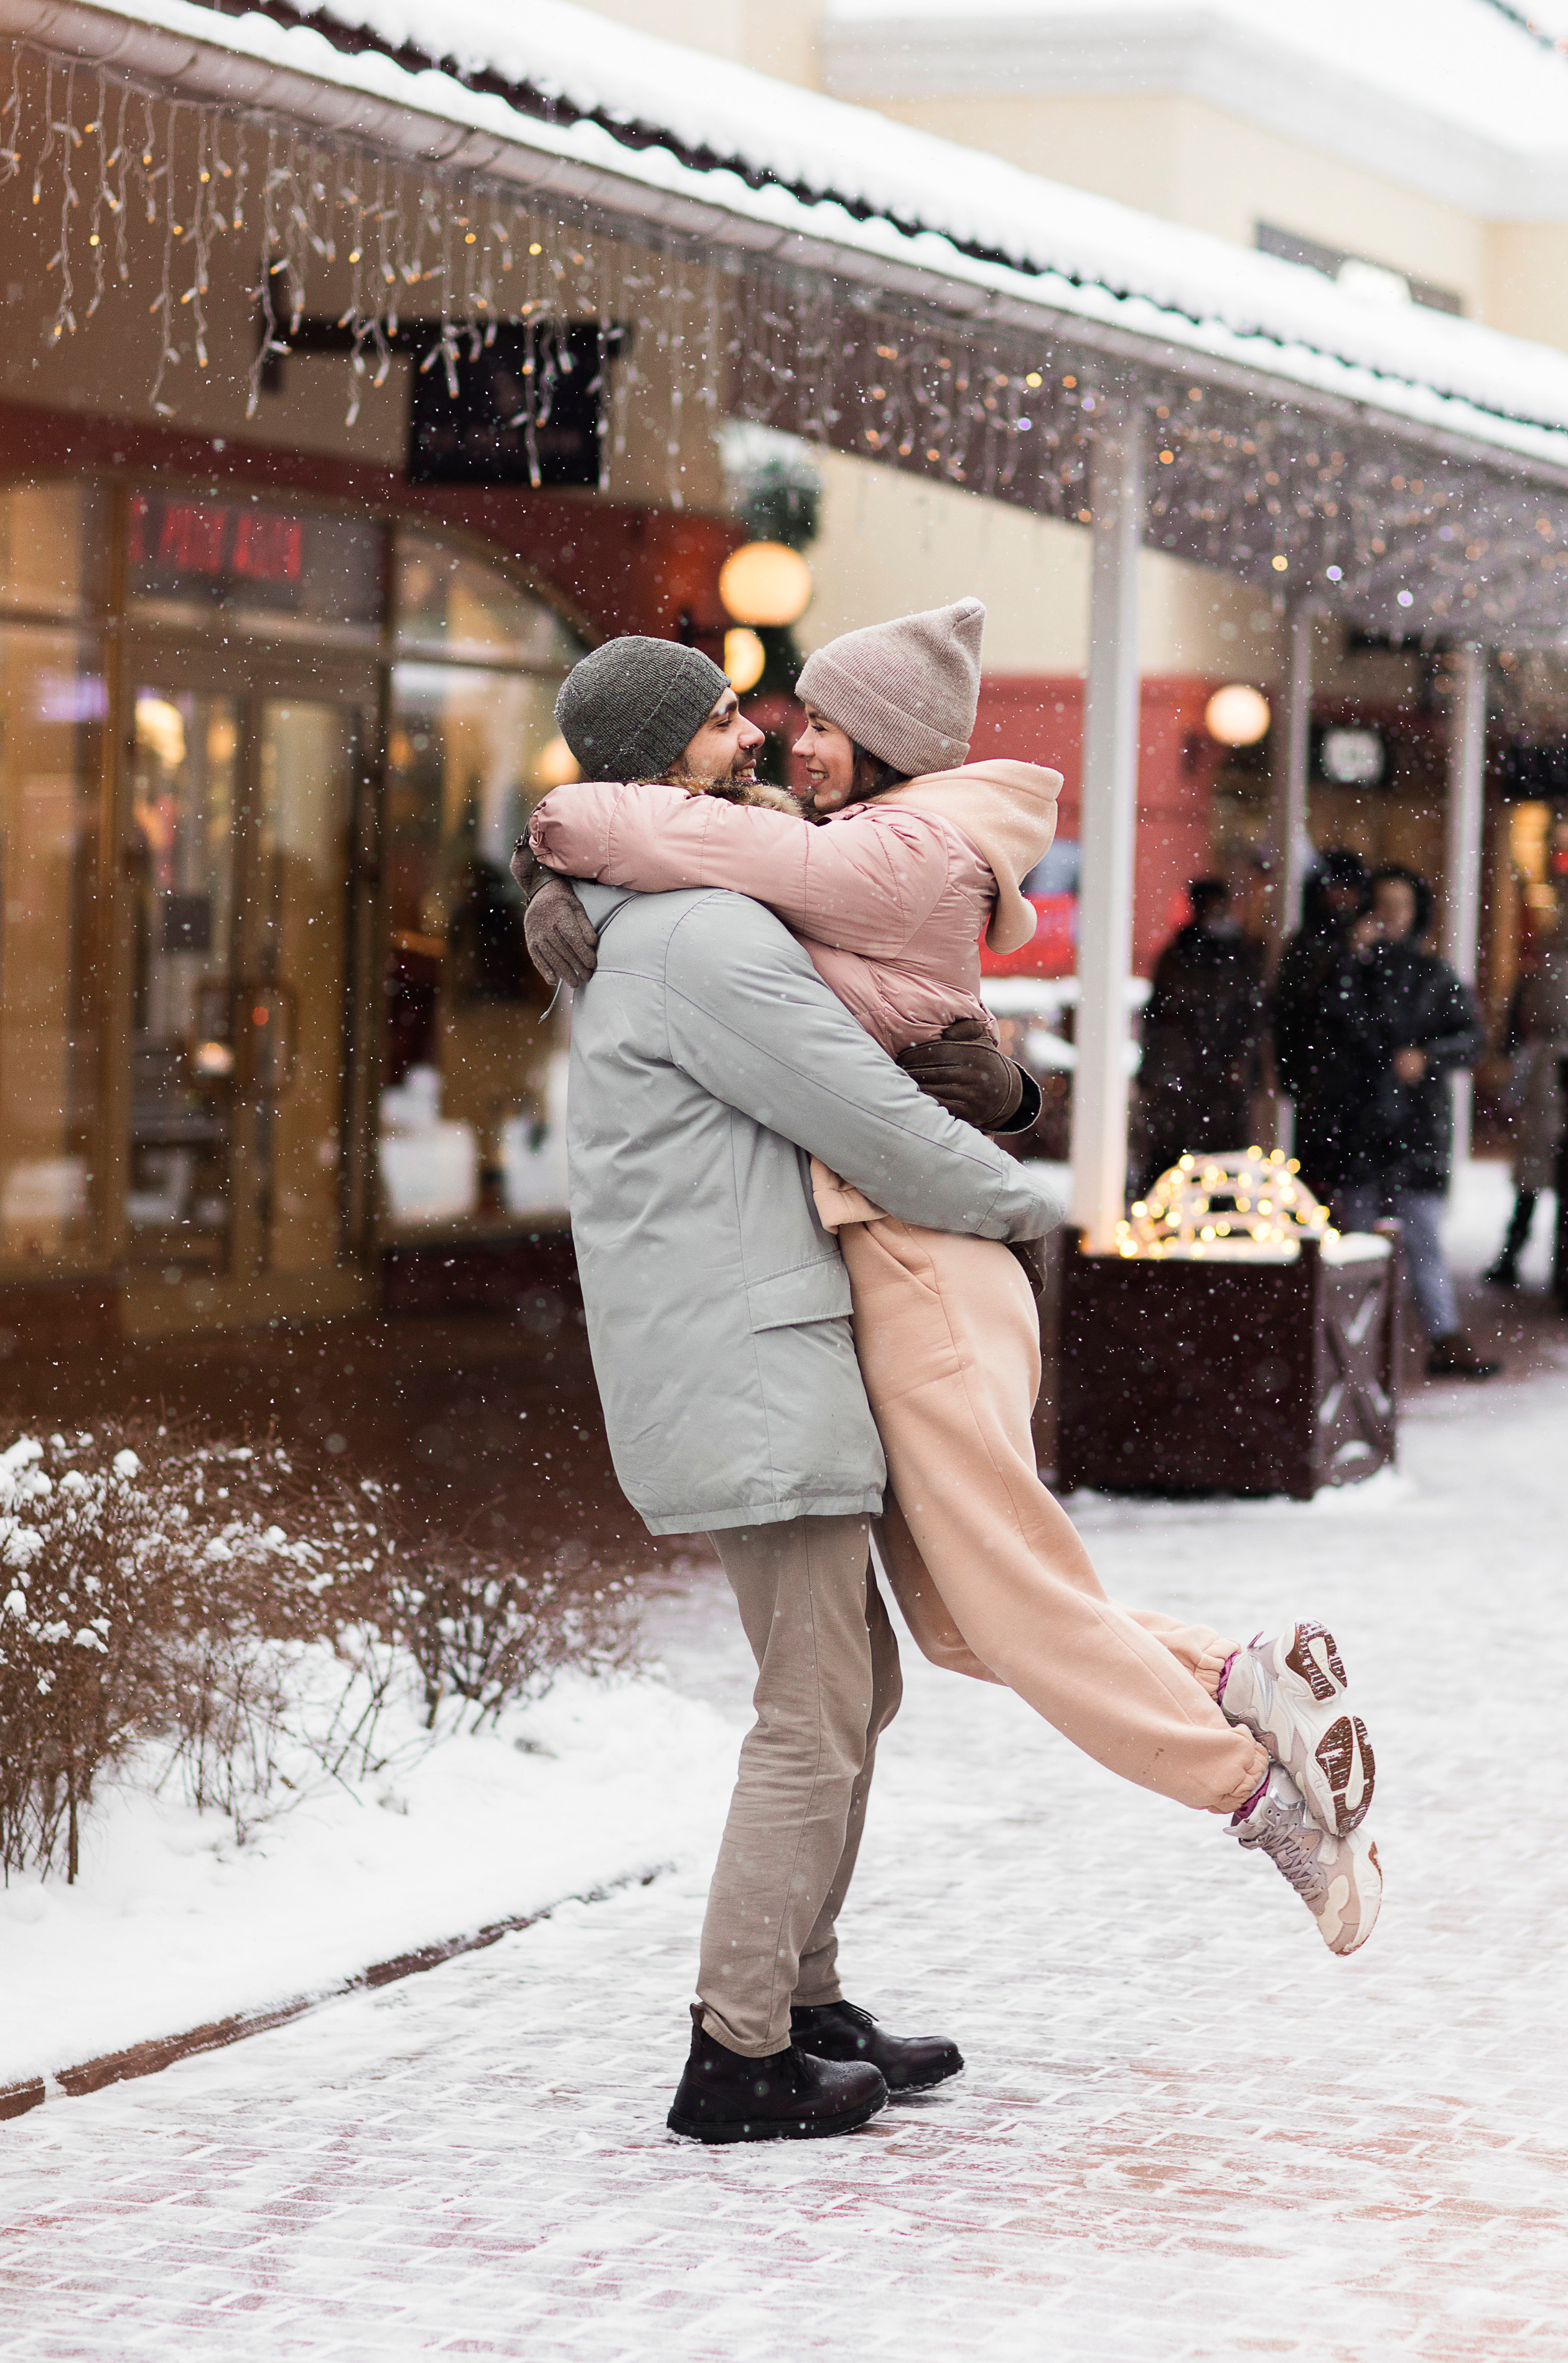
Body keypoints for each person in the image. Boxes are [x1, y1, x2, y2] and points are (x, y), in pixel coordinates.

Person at [528, 604, 1382, 1974]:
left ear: (872, 743)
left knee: (1007, 1600)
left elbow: (691, 842)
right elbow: (708, 859)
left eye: (810, 726)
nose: (777, 744)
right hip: (891, 1256)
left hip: (918, 1249)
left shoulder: (899, 848)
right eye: (756, 721)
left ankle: (1258, 1798)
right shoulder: (843, 850)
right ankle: (1242, 1677)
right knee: (959, 1619)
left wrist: (561, 833)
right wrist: (570, 889)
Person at [512, 630, 1064, 2146]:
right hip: (748, 1351)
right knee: (812, 1704)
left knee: (848, 1687)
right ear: (659, 756)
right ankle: (736, 2048)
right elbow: (861, 1114)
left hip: (745, 1341)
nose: (748, 740)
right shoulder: (701, 941)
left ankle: (802, 1999)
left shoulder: (678, 908)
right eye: (716, 726)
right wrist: (1025, 1199)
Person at [1311, 864, 1499, 1379]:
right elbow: (1330, 1021)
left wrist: (1427, 1057)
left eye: (1402, 906)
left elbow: (1472, 1039)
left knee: (1423, 1241)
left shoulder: (1434, 977)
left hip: (1415, 1129)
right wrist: (1351, 959)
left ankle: (1443, 1339)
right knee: (1353, 1245)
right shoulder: (1350, 971)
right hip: (1360, 1127)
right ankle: (1346, 1348)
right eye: (1383, 905)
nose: (1392, 917)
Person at [1132, 877, 1265, 1195]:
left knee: (1221, 1156)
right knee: (1177, 1153)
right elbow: (1162, 1015)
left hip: (1215, 1074)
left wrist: (1240, 1060)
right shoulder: (1183, 955)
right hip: (1187, 1073)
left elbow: (1252, 1017)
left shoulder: (1235, 956)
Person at [1272, 846, 1370, 1181]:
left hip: (1364, 1081)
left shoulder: (1372, 945)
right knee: (1318, 1173)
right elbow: (1291, 1008)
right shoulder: (1309, 943)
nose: (1343, 898)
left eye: (1350, 889)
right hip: (1319, 1076)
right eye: (1336, 888)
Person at [1486, 915, 1568, 1296]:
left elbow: (1531, 1012)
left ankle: (1515, 1253)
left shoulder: (1549, 963)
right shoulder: (1551, 963)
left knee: (1536, 1173)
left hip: (1549, 1072)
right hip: (1551, 1075)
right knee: (1540, 1169)